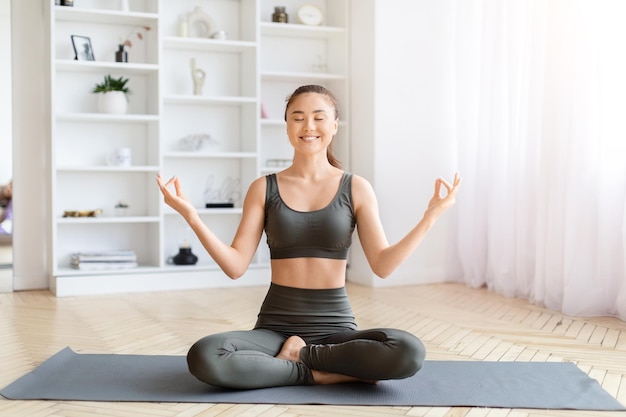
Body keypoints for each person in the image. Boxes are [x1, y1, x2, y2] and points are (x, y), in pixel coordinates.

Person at [156, 84, 461, 389]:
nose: (308, 126)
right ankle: (320, 373)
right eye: (298, 117)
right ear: (287, 125)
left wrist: (430, 217)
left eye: (319, 117)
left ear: (334, 125)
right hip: (274, 330)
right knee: (206, 355)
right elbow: (235, 266)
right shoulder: (263, 188)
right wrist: (192, 217)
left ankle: (298, 358)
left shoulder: (356, 188)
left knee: (408, 351)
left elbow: (382, 265)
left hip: (336, 329)